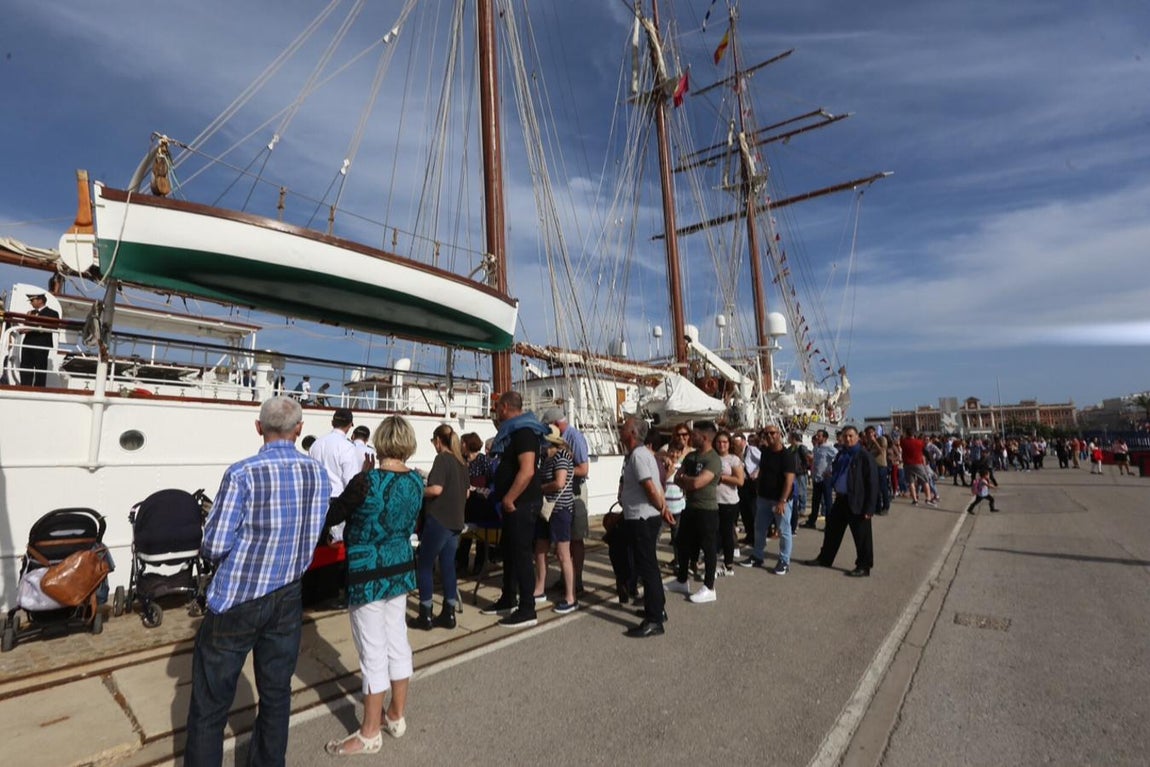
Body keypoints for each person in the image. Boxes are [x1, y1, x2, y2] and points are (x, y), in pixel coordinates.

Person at [185, 396, 330, 767]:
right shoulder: (317, 473)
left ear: (258, 427)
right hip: (288, 596)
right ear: (299, 430)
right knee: (277, 694)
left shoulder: (242, 473)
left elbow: (213, 546)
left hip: (238, 598)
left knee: (210, 707)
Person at [323, 416, 422, 756]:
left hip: (367, 571)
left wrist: (359, 477)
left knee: (372, 650)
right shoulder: (417, 482)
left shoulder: (365, 482)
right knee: (397, 639)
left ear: (378, 442)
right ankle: (395, 715)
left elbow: (334, 515)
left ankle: (369, 733)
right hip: (400, 566)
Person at [479, 391, 548, 628]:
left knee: (521, 555)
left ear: (506, 407)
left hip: (521, 503)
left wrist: (509, 498)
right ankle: (508, 597)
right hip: (512, 505)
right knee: (508, 552)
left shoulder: (524, 433)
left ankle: (527, 608)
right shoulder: (514, 432)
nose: (496, 412)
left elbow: (527, 470)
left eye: (497, 407)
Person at [410, 424, 469, 631]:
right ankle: (449, 613)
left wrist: (417, 489)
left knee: (425, 565)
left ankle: (425, 614)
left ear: (437, 441)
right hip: (456, 521)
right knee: (448, 565)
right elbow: (467, 493)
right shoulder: (461, 462)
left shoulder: (442, 459)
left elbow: (436, 489)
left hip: (439, 519)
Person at [619, 417, 670, 638]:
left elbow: (649, 486)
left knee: (647, 567)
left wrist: (661, 506)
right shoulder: (640, 455)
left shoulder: (639, 456)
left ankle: (654, 620)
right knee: (649, 566)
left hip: (642, 519)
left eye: (623, 427)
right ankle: (657, 608)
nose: (620, 430)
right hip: (641, 517)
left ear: (631, 433)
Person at [803, 426, 879, 577]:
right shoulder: (842, 454)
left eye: (851, 436)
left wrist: (870, 508)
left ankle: (864, 566)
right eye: (845, 436)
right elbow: (838, 471)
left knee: (862, 535)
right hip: (841, 499)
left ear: (857, 437)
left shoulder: (864, 456)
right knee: (832, 531)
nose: (848, 439)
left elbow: (872, 483)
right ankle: (825, 558)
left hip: (857, 500)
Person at [666, 421, 722, 602]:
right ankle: (682, 580)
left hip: (707, 510)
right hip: (689, 507)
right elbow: (676, 478)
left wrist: (687, 480)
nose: (691, 437)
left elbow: (698, 483)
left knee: (708, 548)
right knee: (683, 545)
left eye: (695, 434)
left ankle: (709, 587)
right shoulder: (691, 457)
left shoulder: (713, 459)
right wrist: (688, 480)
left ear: (704, 437)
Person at [540, 408, 590, 595]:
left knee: (576, 538)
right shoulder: (562, 438)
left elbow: (584, 469)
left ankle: (577, 581)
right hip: (564, 493)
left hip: (574, 494)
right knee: (565, 540)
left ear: (555, 424)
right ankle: (566, 579)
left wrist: (561, 471)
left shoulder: (573, 437)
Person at [533, 425, 578, 614]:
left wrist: (541, 488)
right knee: (540, 549)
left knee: (562, 553)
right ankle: (540, 588)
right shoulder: (546, 458)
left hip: (559, 509)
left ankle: (570, 596)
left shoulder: (561, 456)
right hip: (546, 509)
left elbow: (559, 483)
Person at [740, 425, 797, 575]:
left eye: (773, 433)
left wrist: (782, 501)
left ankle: (784, 561)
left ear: (779, 434)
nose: (769, 436)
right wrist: (758, 489)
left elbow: (789, 480)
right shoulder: (765, 452)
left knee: (784, 531)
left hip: (780, 500)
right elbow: (762, 470)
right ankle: (757, 556)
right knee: (759, 528)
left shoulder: (786, 455)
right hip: (764, 498)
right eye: (766, 433)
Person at [310, 408, 364, 542]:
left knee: (319, 546)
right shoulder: (347, 447)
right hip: (338, 502)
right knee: (337, 545)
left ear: (332, 422)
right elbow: (350, 480)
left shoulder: (316, 444)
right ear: (350, 425)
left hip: (317, 501)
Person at [659, 423, 692, 569]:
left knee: (677, 536)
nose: (682, 437)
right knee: (657, 534)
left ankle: (679, 561)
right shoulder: (666, 453)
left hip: (679, 504)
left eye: (685, 434)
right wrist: (665, 460)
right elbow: (656, 455)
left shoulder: (691, 453)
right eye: (678, 434)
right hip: (664, 504)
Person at [714, 431, 745, 576]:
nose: (721, 445)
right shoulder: (712, 458)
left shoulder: (733, 459)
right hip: (713, 501)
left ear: (729, 444)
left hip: (728, 501)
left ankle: (728, 564)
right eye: (719, 442)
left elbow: (739, 481)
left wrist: (721, 478)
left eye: (725, 442)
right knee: (714, 533)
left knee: (727, 533)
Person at [20, 292, 59, 387]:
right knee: (25, 368)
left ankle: (39, 389)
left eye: (32, 300)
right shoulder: (30, 313)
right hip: (28, 343)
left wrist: (33, 328)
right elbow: (26, 326)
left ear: (40, 300)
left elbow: (54, 326)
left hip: (41, 344)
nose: (31, 303)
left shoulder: (52, 313)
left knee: (40, 369)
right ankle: (24, 388)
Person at [804, 429, 836, 529]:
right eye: (817, 436)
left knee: (827, 502)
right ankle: (811, 521)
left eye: (819, 436)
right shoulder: (816, 448)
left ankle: (829, 523)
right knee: (815, 501)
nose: (817, 438)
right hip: (817, 478)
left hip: (826, 479)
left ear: (825, 438)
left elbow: (838, 458)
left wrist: (831, 471)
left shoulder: (830, 448)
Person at [787, 431, 812, 534]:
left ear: (793, 438)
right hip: (793, 473)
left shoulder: (801, 447)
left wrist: (806, 467)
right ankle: (798, 508)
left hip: (800, 472)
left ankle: (802, 509)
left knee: (801, 491)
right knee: (795, 492)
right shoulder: (790, 448)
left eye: (789, 437)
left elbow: (808, 457)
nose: (788, 438)